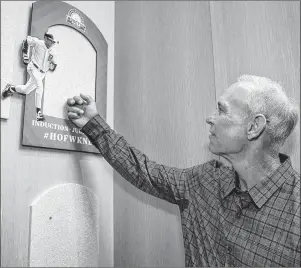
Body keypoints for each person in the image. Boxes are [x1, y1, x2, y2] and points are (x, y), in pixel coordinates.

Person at [66, 75, 300, 267]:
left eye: (222, 110)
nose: (210, 118)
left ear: (253, 127)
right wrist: (91, 123)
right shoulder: (204, 181)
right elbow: (143, 171)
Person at [2, 32, 58, 121]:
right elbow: (26, 41)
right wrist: (25, 54)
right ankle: (38, 112)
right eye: (51, 41)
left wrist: (53, 67)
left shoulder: (53, 52)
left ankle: (11, 88)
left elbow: (54, 65)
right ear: (46, 39)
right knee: (40, 87)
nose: (52, 43)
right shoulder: (38, 43)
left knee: (26, 90)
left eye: (53, 42)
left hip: (42, 73)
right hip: (33, 68)